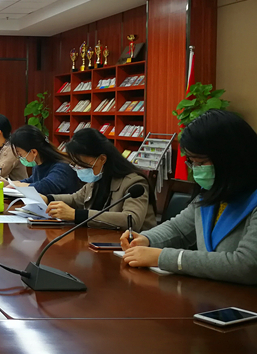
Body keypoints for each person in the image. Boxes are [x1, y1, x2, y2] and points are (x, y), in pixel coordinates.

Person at [122, 110, 257, 285]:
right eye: (192, 162)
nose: (196, 169)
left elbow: (247, 265)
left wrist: (165, 258)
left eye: (201, 162)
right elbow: (178, 229)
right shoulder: (214, 193)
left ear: (230, 158)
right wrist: (147, 239)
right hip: (212, 293)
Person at [43, 128, 156, 231]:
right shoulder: (99, 177)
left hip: (132, 244)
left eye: (83, 164)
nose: (79, 168)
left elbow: (131, 220)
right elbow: (76, 199)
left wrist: (76, 215)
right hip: (101, 239)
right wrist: (47, 199)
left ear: (102, 159)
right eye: (75, 164)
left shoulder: (134, 183)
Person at [0, 125, 81, 195]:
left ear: (34, 152)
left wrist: (17, 186)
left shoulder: (62, 166)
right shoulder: (39, 163)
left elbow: (45, 187)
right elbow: (32, 180)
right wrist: (9, 183)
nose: (19, 157)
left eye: (20, 154)